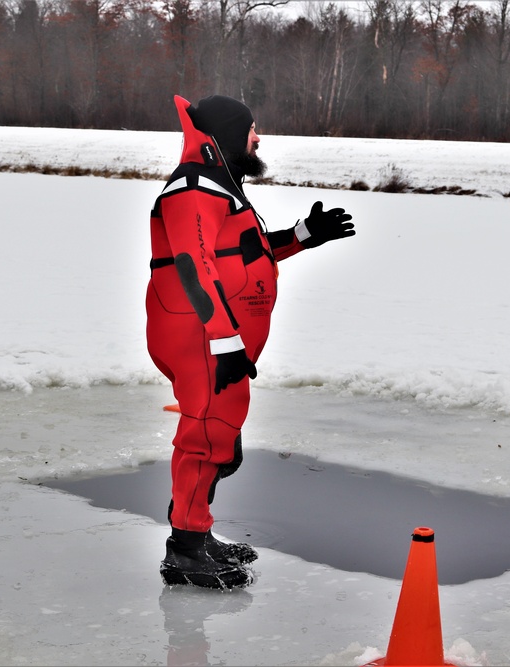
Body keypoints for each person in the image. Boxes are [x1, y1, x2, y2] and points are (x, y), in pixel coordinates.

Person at [147, 94, 356, 589]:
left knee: (221, 441)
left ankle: (196, 531)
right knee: (206, 436)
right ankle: (186, 551)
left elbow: (244, 254)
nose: (258, 137)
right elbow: (193, 267)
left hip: (218, 336)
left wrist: (304, 235)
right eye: (252, 129)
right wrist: (222, 341)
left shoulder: (221, 186)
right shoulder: (194, 188)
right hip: (200, 334)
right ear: (225, 136)